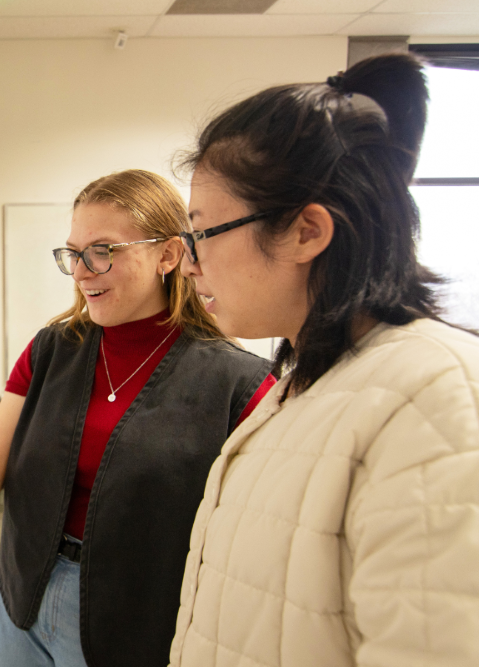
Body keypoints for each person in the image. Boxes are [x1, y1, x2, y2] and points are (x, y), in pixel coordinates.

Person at [0, 169, 275, 667]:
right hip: (23, 593)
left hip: (133, 620)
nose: (80, 271)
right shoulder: (52, 350)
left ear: (168, 253)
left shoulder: (238, 383)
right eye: (73, 253)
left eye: (103, 251)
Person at [169, 54, 479, 667]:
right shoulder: (309, 382)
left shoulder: (436, 399)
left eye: (203, 233)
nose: (188, 262)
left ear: (307, 232)